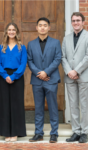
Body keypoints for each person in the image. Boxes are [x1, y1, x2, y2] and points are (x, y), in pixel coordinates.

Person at [27, 17, 62, 143]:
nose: (42, 27)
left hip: (51, 79)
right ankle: (38, 133)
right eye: (40, 25)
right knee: (38, 108)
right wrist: (39, 73)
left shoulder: (56, 42)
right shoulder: (31, 44)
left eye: (45, 25)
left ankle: (54, 133)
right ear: (36, 28)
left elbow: (58, 59)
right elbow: (29, 61)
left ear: (49, 27)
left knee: (53, 107)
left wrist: (46, 72)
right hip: (37, 81)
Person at [0, 23, 27, 142]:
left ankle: (15, 132)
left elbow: (23, 64)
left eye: (13, 30)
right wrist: (5, 75)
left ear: (17, 32)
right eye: (9, 30)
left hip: (17, 77)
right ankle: (6, 132)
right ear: (6, 32)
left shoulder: (21, 47)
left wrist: (13, 76)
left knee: (16, 104)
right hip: (4, 77)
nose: (11, 32)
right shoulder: (1, 47)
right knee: (4, 104)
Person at [62, 12, 88, 143]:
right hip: (70, 77)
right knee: (73, 105)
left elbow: (87, 57)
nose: (76, 23)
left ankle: (85, 132)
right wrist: (69, 72)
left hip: (83, 76)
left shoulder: (87, 36)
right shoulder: (66, 38)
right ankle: (76, 131)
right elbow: (63, 57)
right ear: (71, 22)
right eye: (73, 20)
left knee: (84, 105)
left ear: (83, 22)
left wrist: (76, 70)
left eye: (78, 20)